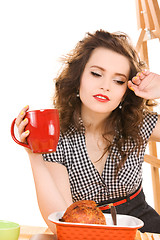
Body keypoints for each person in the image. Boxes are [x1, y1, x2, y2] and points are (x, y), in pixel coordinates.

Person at [15, 30, 160, 233]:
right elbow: (61, 225)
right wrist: (34, 155)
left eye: (118, 81)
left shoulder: (137, 122)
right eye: (96, 74)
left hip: (143, 225)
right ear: (78, 77)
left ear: (126, 90)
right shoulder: (58, 135)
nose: (105, 86)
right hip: (86, 229)